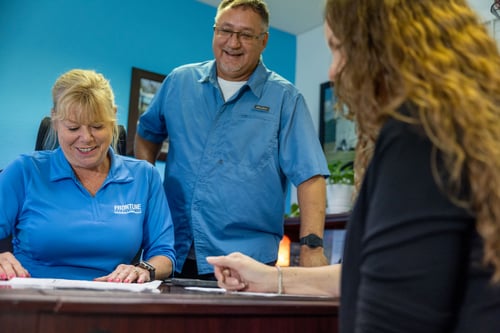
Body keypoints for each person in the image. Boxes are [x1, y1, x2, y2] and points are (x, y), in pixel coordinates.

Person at [207, 0, 500, 332]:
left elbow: (393, 314)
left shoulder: (418, 134)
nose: (333, 70)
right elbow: (379, 270)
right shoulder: (468, 127)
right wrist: (271, 277)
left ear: (378, 49)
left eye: (338, 49)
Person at [135, 0, 329, 279]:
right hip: (174, 251)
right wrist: (148, 188)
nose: (233, 43)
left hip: (249, 261)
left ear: (264, 41)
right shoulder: (179, 82)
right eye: (225, 30)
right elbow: (147, 133)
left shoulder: (285, 98)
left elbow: (310, 176)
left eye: (246, 35)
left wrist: (311, 249)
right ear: (214, 31)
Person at [0, 69, 176, 283]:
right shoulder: (25, 171)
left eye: (97, 126)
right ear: (55, 122)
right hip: (35, 302)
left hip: (113, 301)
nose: (86, 138)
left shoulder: (144, 176)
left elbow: (164, 254)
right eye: (73, 127)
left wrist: (145, 269)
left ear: (112, 119)